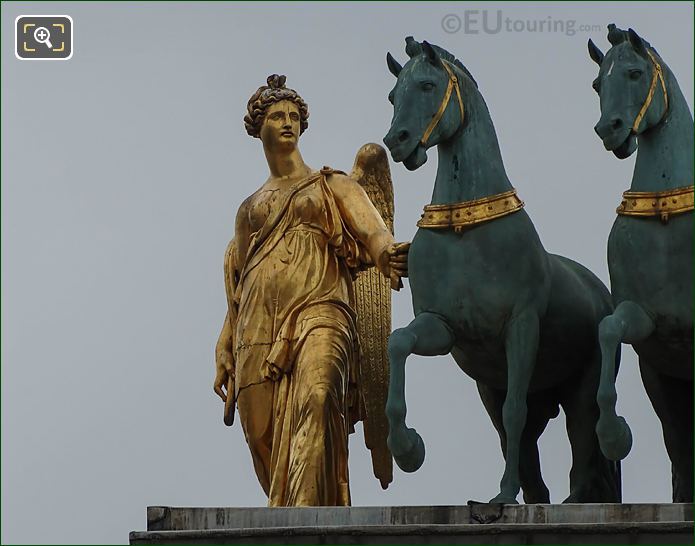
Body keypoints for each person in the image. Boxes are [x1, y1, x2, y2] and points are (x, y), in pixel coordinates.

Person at [213, 74, 408, 506]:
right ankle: (287, 511)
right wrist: (226, 341)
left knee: (319, 397)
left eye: (294, 116)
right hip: (258, 328)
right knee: (261, 431)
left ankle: (305, 516)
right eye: (277, 116)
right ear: (258, 127)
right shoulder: (248, 210)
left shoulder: (332, 185)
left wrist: (387, 253)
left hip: (323, 310)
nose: (288, 122)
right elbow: (242, 281)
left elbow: (373, 232)